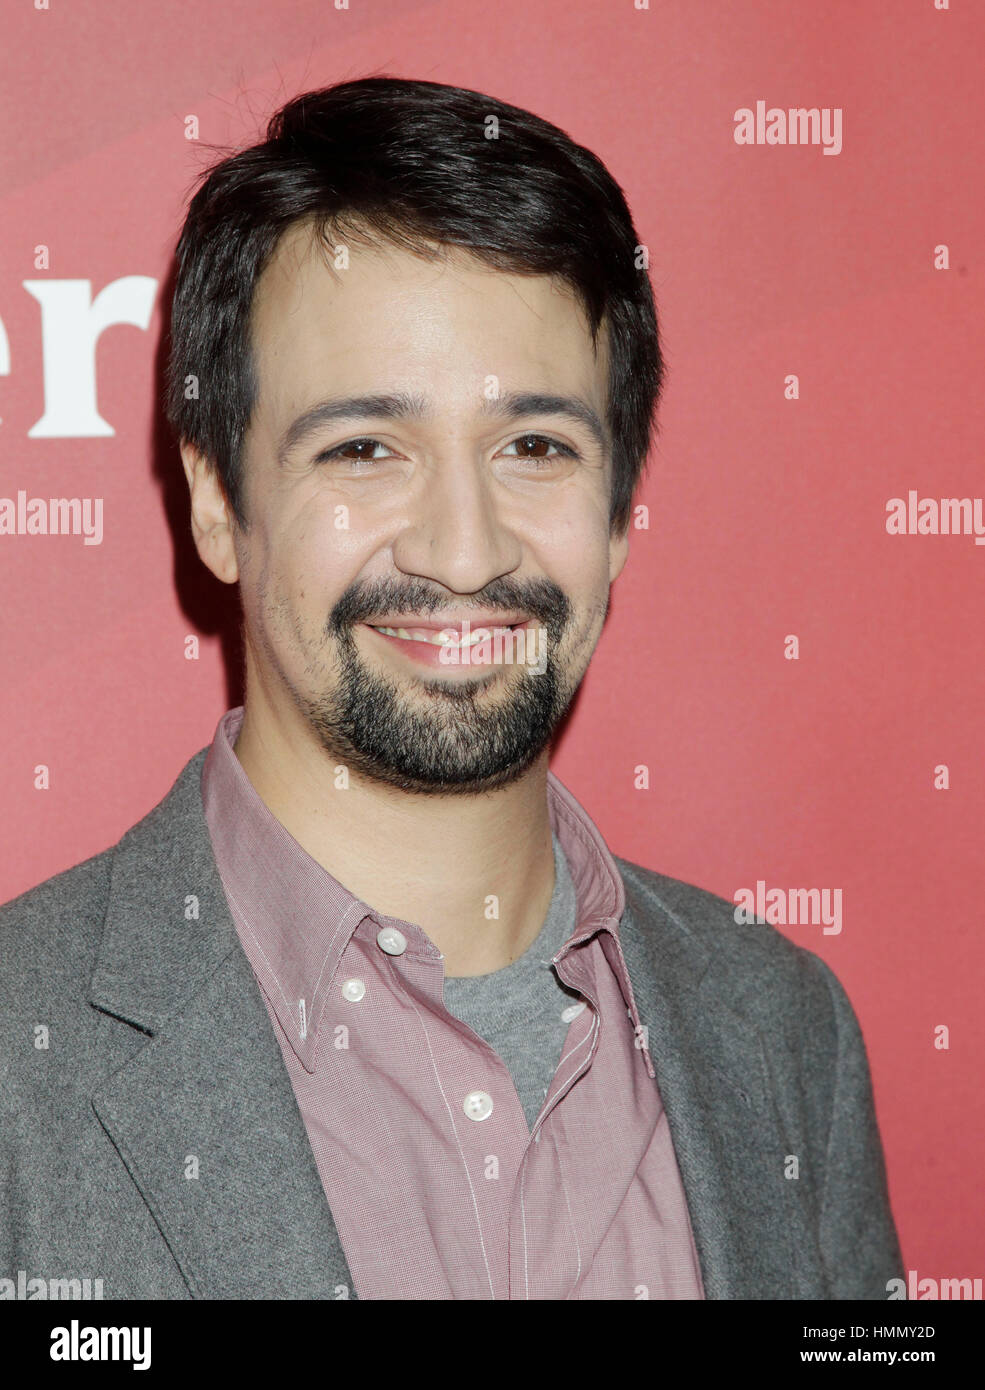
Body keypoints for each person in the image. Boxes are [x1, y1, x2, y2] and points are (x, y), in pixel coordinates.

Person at [0, 76, 902, 1300]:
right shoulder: (20, 1049)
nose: (464, 552)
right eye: (364, 448)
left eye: (534, 447)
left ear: (621, 506)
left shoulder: (782, 1030)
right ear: (219, 503)